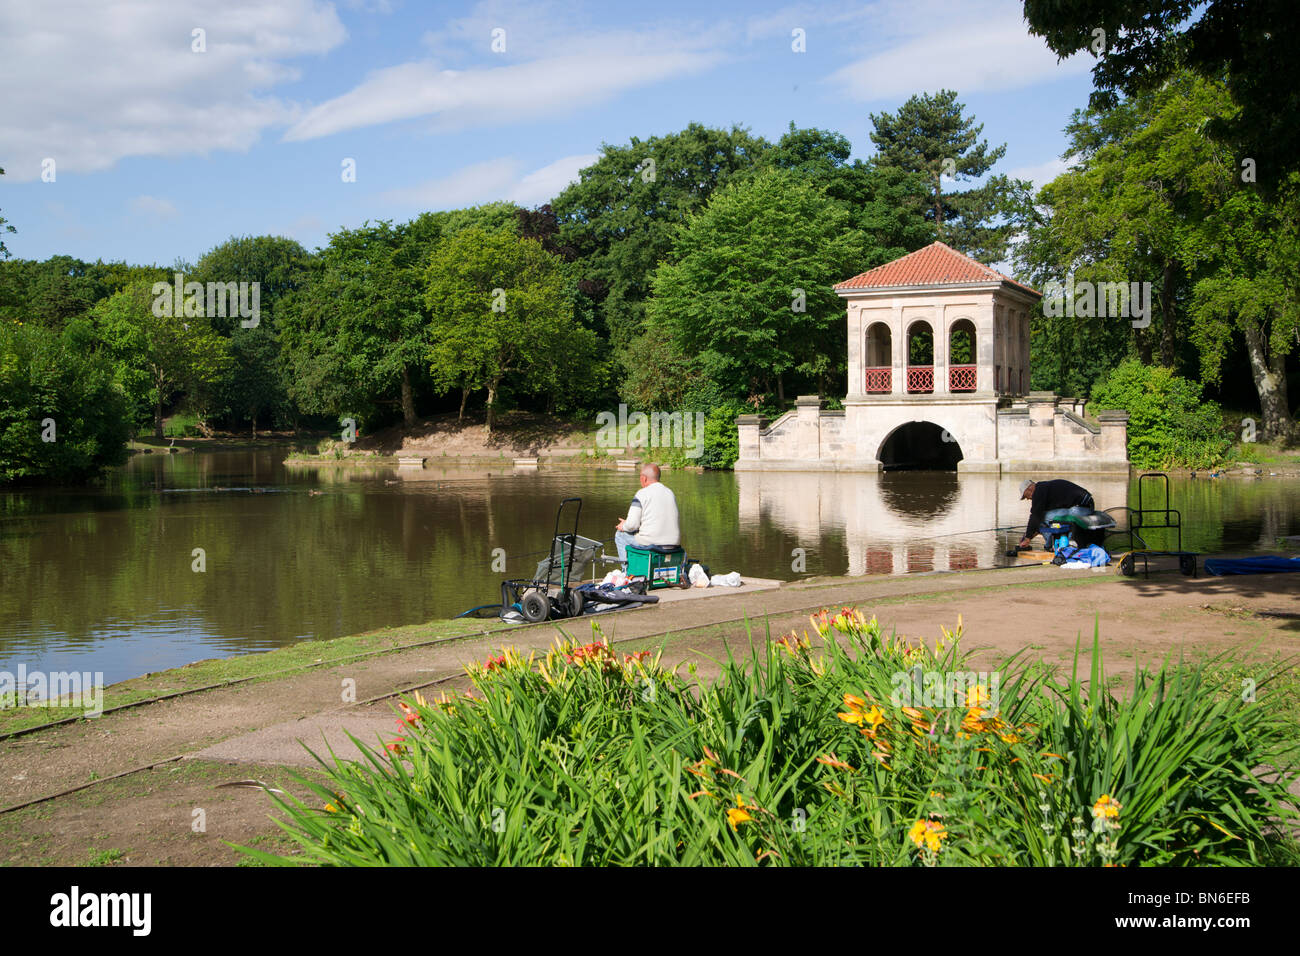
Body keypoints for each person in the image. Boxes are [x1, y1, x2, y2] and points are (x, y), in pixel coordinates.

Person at [615, 463, 680, 564]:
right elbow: (653, 520)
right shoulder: (670, 493)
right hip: (673, 544)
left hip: (652, 543)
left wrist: (624, 526)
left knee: (620, 535)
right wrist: (628, 524)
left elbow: (632, 525)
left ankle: (626, 572)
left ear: (644, 478)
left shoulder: (642, 494)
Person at [1017, 478, 1094, 550]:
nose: (1027, 498)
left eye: (1025, 496)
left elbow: (1035, 516)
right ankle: (1052, 545)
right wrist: (1028, 536)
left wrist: (1027, 538)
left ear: (1029, 488)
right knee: (1045, 518)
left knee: (1043, 517)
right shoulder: (1045, 489)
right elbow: (1037, 518)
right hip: (1086, 507)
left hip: (1081, 509)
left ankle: (1050, 545)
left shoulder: (1038, 491)